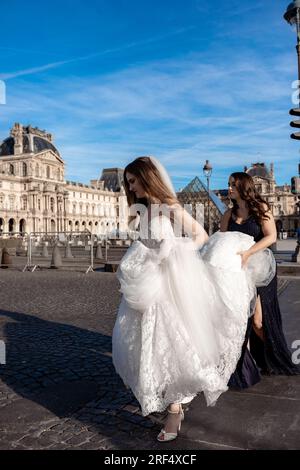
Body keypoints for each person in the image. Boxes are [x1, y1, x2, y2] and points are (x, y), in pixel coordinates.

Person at [112, 157, 274, 442]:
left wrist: (170, 250)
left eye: (133, 180)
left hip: (167, 286)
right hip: (144, 285)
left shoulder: (169, 207)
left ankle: (175, 409)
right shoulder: (144, 211)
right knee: (145, 346)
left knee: (173, 345)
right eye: (127, 182)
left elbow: (200, 236)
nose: (130, 187)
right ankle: (161, 396)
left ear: (147, 178)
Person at [220, 172, 300, 388]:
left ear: (244, 187)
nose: (229, 188)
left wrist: (248, 252)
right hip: (238, 273)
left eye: (233, 185)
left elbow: (271, 236)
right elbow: (221, 242)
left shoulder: (261, 208)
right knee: (244, 322)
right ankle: (248, 363)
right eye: (228, 185)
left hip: (261, 270)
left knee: (258, 322)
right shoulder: (228, 214)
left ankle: (276, 355)